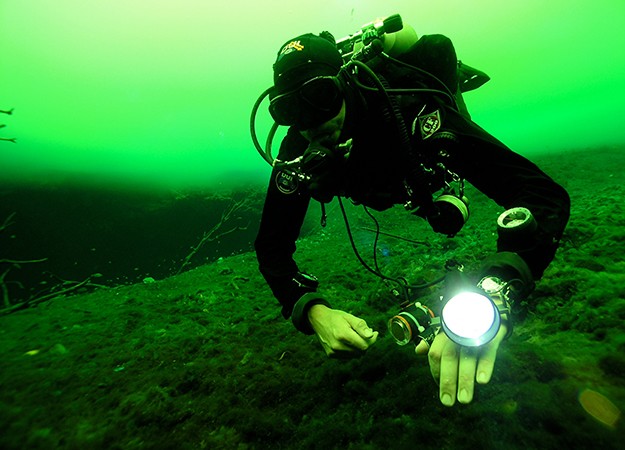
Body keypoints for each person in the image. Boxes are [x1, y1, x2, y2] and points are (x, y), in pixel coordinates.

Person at [253, 20, 570, 407]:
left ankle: (453, 93)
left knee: (444, 208)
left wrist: (495, 291)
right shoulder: (296, 151)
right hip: (385, 184)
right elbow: (271, 246)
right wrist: (312, 311)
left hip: (417, 161)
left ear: (344, 83)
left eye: (321, 95)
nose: (311, 122)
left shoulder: (410, 111)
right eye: (290, 109)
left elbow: (541, 195)